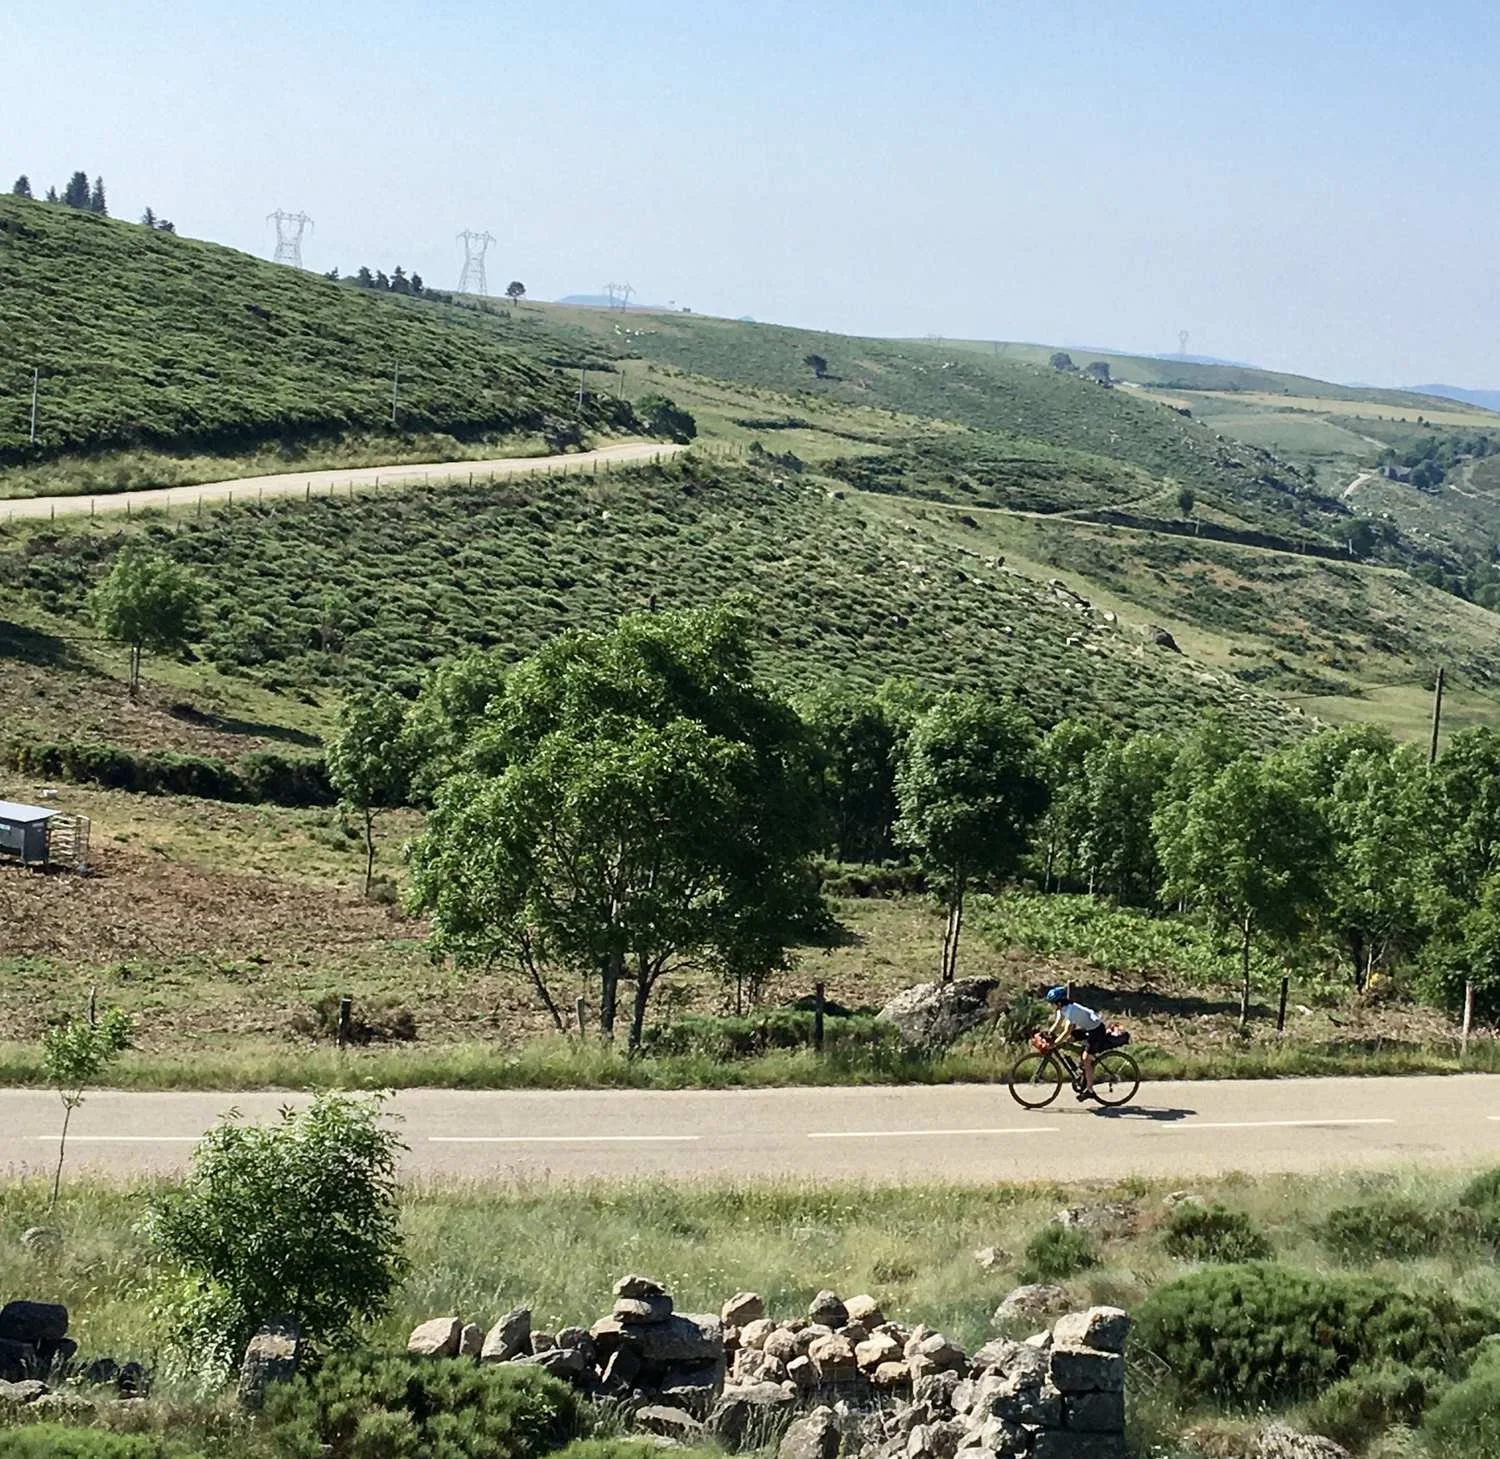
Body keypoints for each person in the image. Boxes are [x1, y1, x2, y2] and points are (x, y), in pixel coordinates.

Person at [1042, 986, 1112, 1102]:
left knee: (1086, 1058)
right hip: (1087, 1028)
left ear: (1059, 1002)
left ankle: (1090, 1090)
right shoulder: (1061, 1009)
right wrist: (1049, 1033)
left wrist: (1054, 1044)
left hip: (1096, 1030)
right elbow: (1058, 1022)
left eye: (1052, 1003)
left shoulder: (1071, 1010)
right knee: (1069, 1041)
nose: (1051, 1005)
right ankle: (1082, 1070)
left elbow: (1066, 1031)